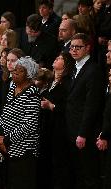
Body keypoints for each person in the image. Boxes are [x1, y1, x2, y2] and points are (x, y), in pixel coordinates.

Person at [65, 33, 104, 189]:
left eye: (78, 47)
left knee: (89, 174)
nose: (73, 50)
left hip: (84, 132)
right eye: (71, 47)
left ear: (88, 48)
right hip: (72, 128)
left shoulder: (93, 71)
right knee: (78, 172)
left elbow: (91, 105)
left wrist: (83, 133)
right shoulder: (75, 68)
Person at [0, 56, 40, 189]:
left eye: (19, 71)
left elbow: (29, 125)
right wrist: (1, 136)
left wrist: (6, 140)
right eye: (14, 70)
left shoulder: (32, 94)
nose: (14, 73)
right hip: (7, 149)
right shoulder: (12, 89)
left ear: (29, 75)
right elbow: (5, 114)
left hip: (24, 151)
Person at [39, 52, 75, 189]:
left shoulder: (67, 83)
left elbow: (69, 106)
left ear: (66, 65)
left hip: (59, 128)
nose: (56, 58)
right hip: (47, 126)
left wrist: (51, 106)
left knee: (59, 163)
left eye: (60, 58)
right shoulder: (50, 81)